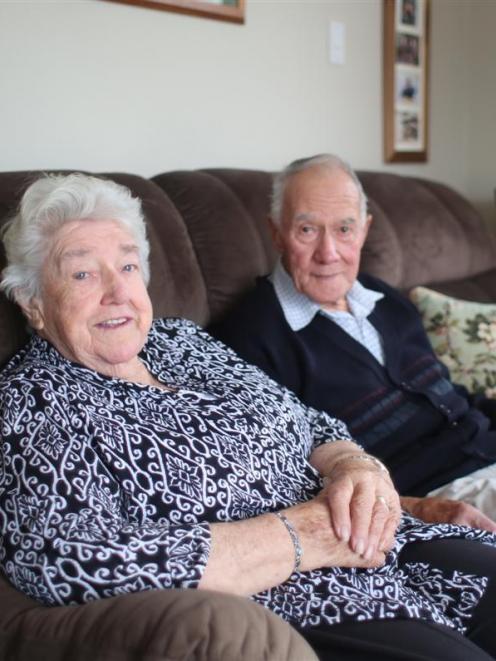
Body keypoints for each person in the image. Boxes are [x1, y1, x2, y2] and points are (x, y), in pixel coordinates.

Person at [2, 174, 496, 661]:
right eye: (83, 273)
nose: (118, 293)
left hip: (387, 542)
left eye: (128, 266)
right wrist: (301, 536)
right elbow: (65, 558)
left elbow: (311, 422)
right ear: (34, 304)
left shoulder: (181, 340)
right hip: (305, 596)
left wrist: (356, 467)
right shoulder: (34, 402)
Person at [210, 153, 496, 531]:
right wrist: (423, 511)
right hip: (441, 495)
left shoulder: (384, 299)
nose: (329, 253)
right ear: (276, 232)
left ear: (364, 230)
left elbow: (450, 396)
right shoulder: (252, 341)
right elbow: (288, 482)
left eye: (344, 229)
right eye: (307, 230)